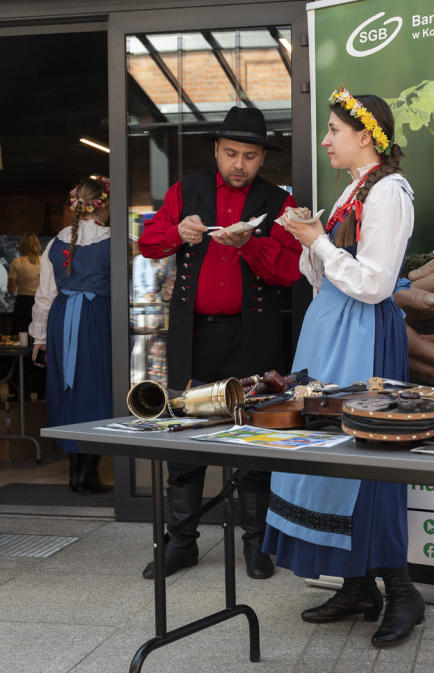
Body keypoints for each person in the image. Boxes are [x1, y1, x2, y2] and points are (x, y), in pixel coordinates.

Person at [266, 88, 424, 647]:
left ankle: (403, 592)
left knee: (368, 461)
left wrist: (319, 242)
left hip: (362, 337)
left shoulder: (389, 194)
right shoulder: (354, 191)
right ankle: (358, 585)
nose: (326, 139)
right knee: (330, 455)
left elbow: (376, 284)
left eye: (334, 130)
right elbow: (326, 277)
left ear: (365, 136)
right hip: (330, 328)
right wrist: (309, 240)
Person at [137, 106, 302, 581]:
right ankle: (182, 542)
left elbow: (290, 270)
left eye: (249, 155)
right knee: (184, 435)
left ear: (261, 158)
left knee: (254, 436)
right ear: (216, 150)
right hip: (195, 334)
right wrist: (175, 232)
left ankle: (256, 545)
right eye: (231, 153)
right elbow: (148, 243)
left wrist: (246, 244)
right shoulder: (184, 191)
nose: (239, 163)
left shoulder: (279, 202)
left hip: (254, 334)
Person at [29, 177, 113, 494]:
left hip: (62, 319)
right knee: (94, 388)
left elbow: (44, 295)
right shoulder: (114, 241)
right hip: (97, 319)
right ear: (103, 205)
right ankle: (87, 472)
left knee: (70, 390)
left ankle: (76, 472)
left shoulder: (56, 242)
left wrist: (39, 338)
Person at [8, 234, 42, 336]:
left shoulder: (17, 262)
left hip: (23, 303)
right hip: (40, 302)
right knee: (39, 335)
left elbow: (11, 289)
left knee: (22, 335)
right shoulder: (44, 261)